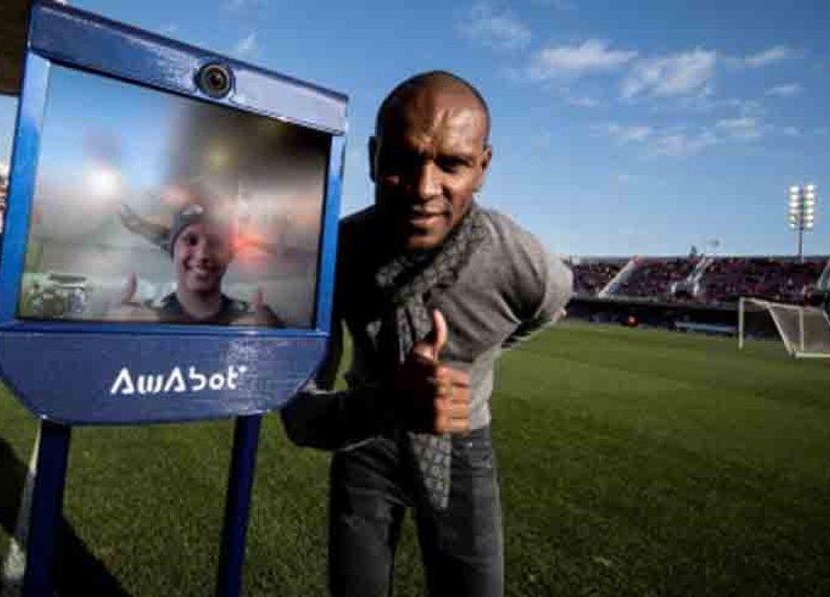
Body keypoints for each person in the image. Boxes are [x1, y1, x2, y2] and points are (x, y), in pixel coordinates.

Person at [281, 71, 572, 596]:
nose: (423, 188)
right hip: (364, 443)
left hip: (465, 446)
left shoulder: (522, 263)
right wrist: (388, 401)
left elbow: (548, 309)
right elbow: (301, 418)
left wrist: (478, 362)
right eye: (401, 160)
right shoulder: (338, 255)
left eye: (453, 163)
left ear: (483, 167)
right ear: (372, 157)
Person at [119, 203, 282, 327]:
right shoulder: (140, 318)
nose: (202, 254)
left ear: (229, 255)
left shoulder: (258, 321)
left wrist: (264, 341)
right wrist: (115, 333)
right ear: (172, 251)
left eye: (215, 242)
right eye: (191, 241)